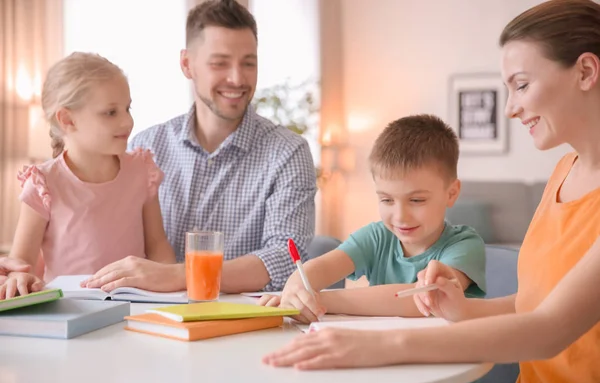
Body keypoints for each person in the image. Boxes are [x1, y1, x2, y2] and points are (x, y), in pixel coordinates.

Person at [263, 1, 600, 383]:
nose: (510, 107)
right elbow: (532, 302)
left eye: (522, 85)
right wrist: (463, 309)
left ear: (585, 71)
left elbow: (550, 329)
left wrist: (381, 347)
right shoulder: (563, 171)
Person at [1, 0, 317, 294]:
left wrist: (179, 276)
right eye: (220, 63)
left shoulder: (288, 153)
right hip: (137, 323)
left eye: (248, 63)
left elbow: (286, 259)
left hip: (240, 327)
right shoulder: (144, 147)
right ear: (187, 64)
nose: (237, 78)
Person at [259, 115, 486, 328]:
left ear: (451, 193)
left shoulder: (465, 245)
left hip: (446, 359)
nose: (400, 216)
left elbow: (422, 300)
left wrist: (320, 300)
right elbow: (324, 266)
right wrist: (295, 288)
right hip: (382, 355)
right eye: (386, 199)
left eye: (416, 200)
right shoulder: (377, 236)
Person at [0, 52, 175, 300]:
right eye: (111, 112)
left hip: (133, 306)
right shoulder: (44, 183)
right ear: (67, 119)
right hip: (67, 312)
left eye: (128, 108)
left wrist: (169, 290)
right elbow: (22, 264)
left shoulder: (141, 171)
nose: (128, 121)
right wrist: (17, 279)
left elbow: (158, 246)